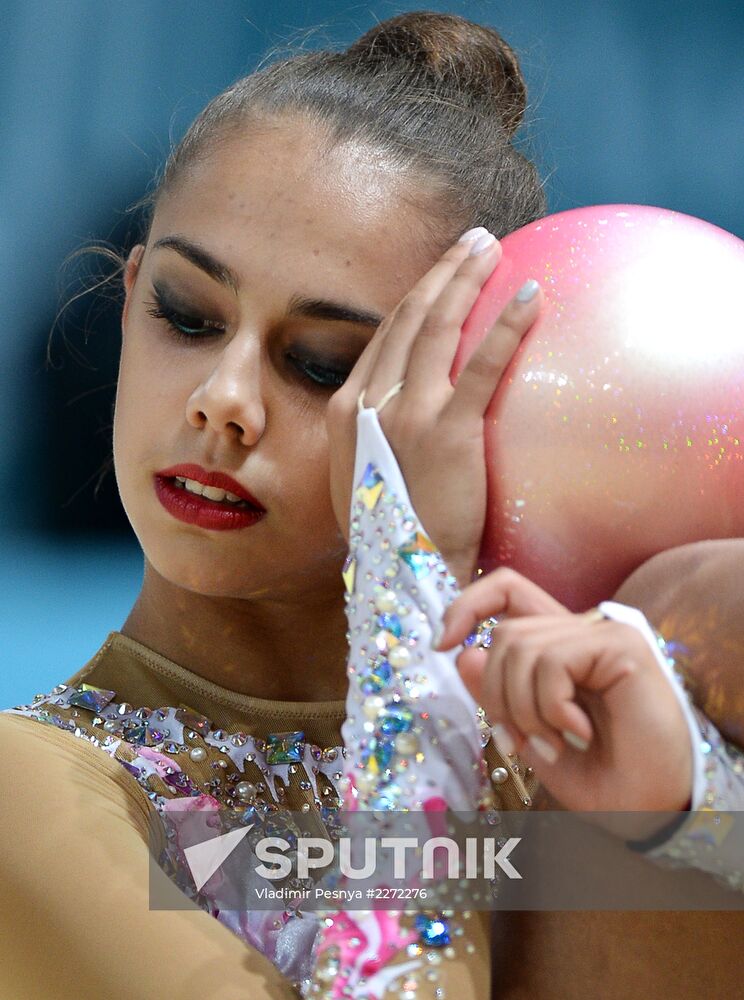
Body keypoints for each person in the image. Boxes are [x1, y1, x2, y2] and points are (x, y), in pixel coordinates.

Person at [1, 10, 742, 999]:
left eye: (322, 365)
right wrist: (406, 589)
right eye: (185, 313)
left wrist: (682, 789)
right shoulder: (31, 789)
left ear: (475, 409)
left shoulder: (575, 742)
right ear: (128, 297)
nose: (224, 400)